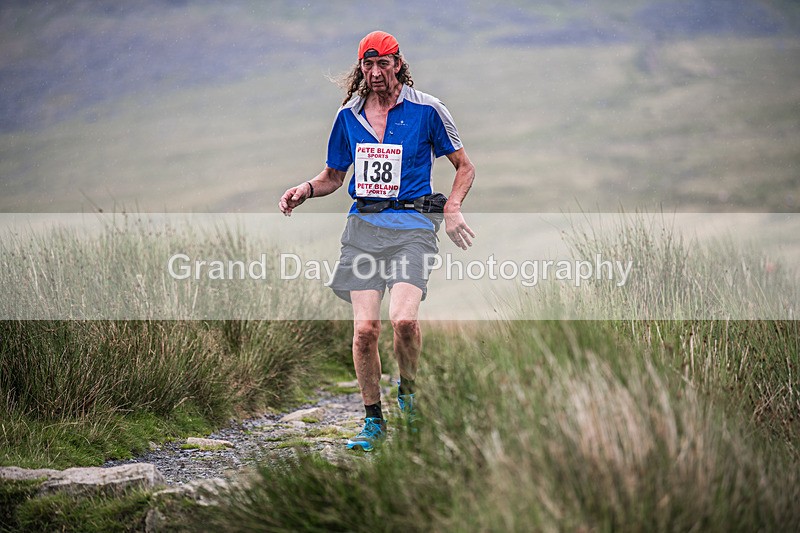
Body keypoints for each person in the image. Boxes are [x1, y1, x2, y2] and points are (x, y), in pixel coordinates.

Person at [279, 30, 475, 451]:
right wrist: (305, 190)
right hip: (363, 231)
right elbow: (333, 176)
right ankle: (373, 422)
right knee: (365, 330)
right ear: (361, 68)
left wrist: (454, 207)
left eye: (383, 64)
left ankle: (408, 394)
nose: (375, 73)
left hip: (413, 229)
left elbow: (465, 167)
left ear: (398, 64)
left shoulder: (428, 110)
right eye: (368, 66)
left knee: (403, 321)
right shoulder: (348, 115)